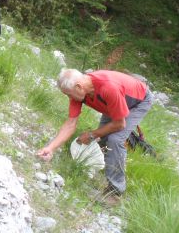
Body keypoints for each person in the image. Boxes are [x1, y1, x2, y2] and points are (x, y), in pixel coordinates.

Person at [37, 68, 154, 205]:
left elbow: (119, 124)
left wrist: (92, 135)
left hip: (138, 101)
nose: (69, 98)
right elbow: (70, 124)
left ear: (79, 87)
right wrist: (50, 148)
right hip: (114, 101)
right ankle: (105, 165)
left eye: (69, 95)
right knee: (103, 138)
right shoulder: (80, 92)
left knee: (115, 139)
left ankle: (115, 193)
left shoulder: (108, 88)